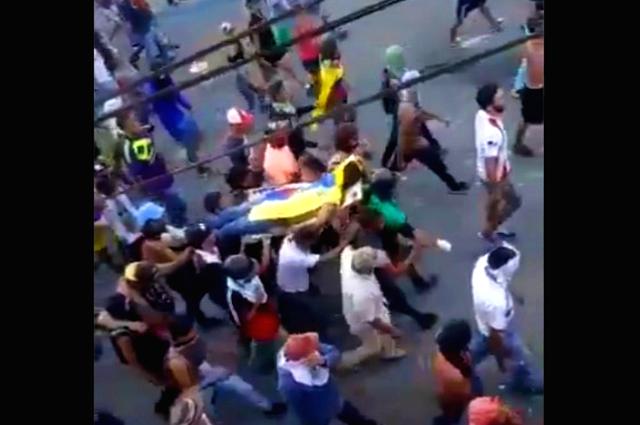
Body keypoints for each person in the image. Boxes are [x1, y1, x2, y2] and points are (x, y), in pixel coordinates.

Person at [165, 315, 287, 418]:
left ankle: (268, 407)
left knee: (244, 388)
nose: (195, 332)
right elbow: (189, 384)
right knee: (209, 412)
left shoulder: (191, 341)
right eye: (190, 331)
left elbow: (206, 353)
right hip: (201, 385)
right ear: (181, 336)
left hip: (214, 373)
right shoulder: (176, 359)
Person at [470, 244, 543, 395]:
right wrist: (500, 360)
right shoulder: (496, 302)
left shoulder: (483, 264)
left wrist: (513, 294)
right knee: (521, 358)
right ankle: (523, 384)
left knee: (471, 356)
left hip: (485, 323)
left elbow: (503, 281)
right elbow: (496, 336)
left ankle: (463, 372)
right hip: (497, 330)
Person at [352, 207, 439, 330]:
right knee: (395, 294)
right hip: (375, 273)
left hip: (380, 259)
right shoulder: (373, 249)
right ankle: (419, 318)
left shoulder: (367, 233)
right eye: (379, 221)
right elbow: (395, 271)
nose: (382, 221)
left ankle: (418, 284)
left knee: (403, 257)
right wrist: (413, 254)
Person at [278, 333, 381, 425]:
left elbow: (334, 352)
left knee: (356, 418)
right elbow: (299, 409)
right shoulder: (289, 384)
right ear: (305, 358)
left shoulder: (298, 348)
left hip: (335, 400)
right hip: (317, 415)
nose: (318, 347)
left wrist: (324, 361)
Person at [140, 219, 223, 328]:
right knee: (192, 298)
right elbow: (175, 262)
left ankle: (194, 318)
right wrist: (187, 252)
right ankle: (196, 320)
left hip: (181, 272)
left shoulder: (156, 241)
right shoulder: (155, 247)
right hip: (177, 276)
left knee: (193, 298)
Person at [338, 246, 410, 370]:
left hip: (364, 308)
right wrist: (392, 330)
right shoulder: (363, 293)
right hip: (363, 318)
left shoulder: (349, 257)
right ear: (370, 268)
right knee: (372, 345)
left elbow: (347, 249)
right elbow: (372, 321)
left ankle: (389, 351)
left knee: (383, 327)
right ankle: (344, 361)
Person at [396, 73, 468, 193]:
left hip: (404, 145)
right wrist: (442, 120)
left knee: (400, 163)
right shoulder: (414, 112)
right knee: (439, 167)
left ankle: (391, 178)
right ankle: (454, 186)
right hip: (418, 146)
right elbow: (425, 115)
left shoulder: (401, 108)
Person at [277, 225, 348, 338]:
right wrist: (343, 245)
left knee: (313, 303)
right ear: (306, 241)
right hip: (295, 290)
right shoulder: (295, 257)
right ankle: (318, 332)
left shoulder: (289, 240)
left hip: (295, 282)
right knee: (308, 312)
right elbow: (325, 258)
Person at [474, 83, 522, 243]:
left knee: (499, 203)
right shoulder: (492, 133)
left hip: (495, 172)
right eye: (500, 98)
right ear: (489, 106)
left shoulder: (481, 115)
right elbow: (490, 162)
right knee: (513, 201)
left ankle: (493, 224)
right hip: (496, 175)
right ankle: (490, 230)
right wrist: (496, 188)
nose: (504, 99)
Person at [224, 252, 282, 372]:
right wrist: (257, 302)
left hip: (265, 311)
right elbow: (244, 319)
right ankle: (262, 364)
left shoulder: (252, 278)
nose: (256, 267)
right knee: (263, 345)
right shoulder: (235, 295)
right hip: (256, 323)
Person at [145, 71, 211, 177]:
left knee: (187, 135)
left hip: (173, 118)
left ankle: (193, 156)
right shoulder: (154, 93)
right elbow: (177, 96)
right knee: (187, 137)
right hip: (172, 120)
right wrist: (187, 105)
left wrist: (187, 105)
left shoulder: (155, 89)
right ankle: (195, 162)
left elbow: (176, 95)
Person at [431, 319, 482, 425]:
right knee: (455, 416)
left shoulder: (443, 348)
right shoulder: (455, 375)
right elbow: (452, 396)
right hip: (457, 398)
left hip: (460, 385)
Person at [513, 18, 543, 157]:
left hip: (535, 87)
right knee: (527, 119)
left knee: (527, 119)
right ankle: (518, 144)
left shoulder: (532, 45)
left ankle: (518, 144)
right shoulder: (529, 47)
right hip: (533, 89)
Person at [118, 0, 178, 68]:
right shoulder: (127, 5)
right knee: (150, 42)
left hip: (145, 22)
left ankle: (164, 54)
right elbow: (129, 16)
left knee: (154, 40)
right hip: (142, 25)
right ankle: (154, 61)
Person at [266, 79, 317, 158]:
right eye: (284, 91)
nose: (287, 92)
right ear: (277, 96)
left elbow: (297, 112)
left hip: (297, 137)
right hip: (292, 144)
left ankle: (304, 144)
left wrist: (313, 106)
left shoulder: (283, 105)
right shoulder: (277, 112)